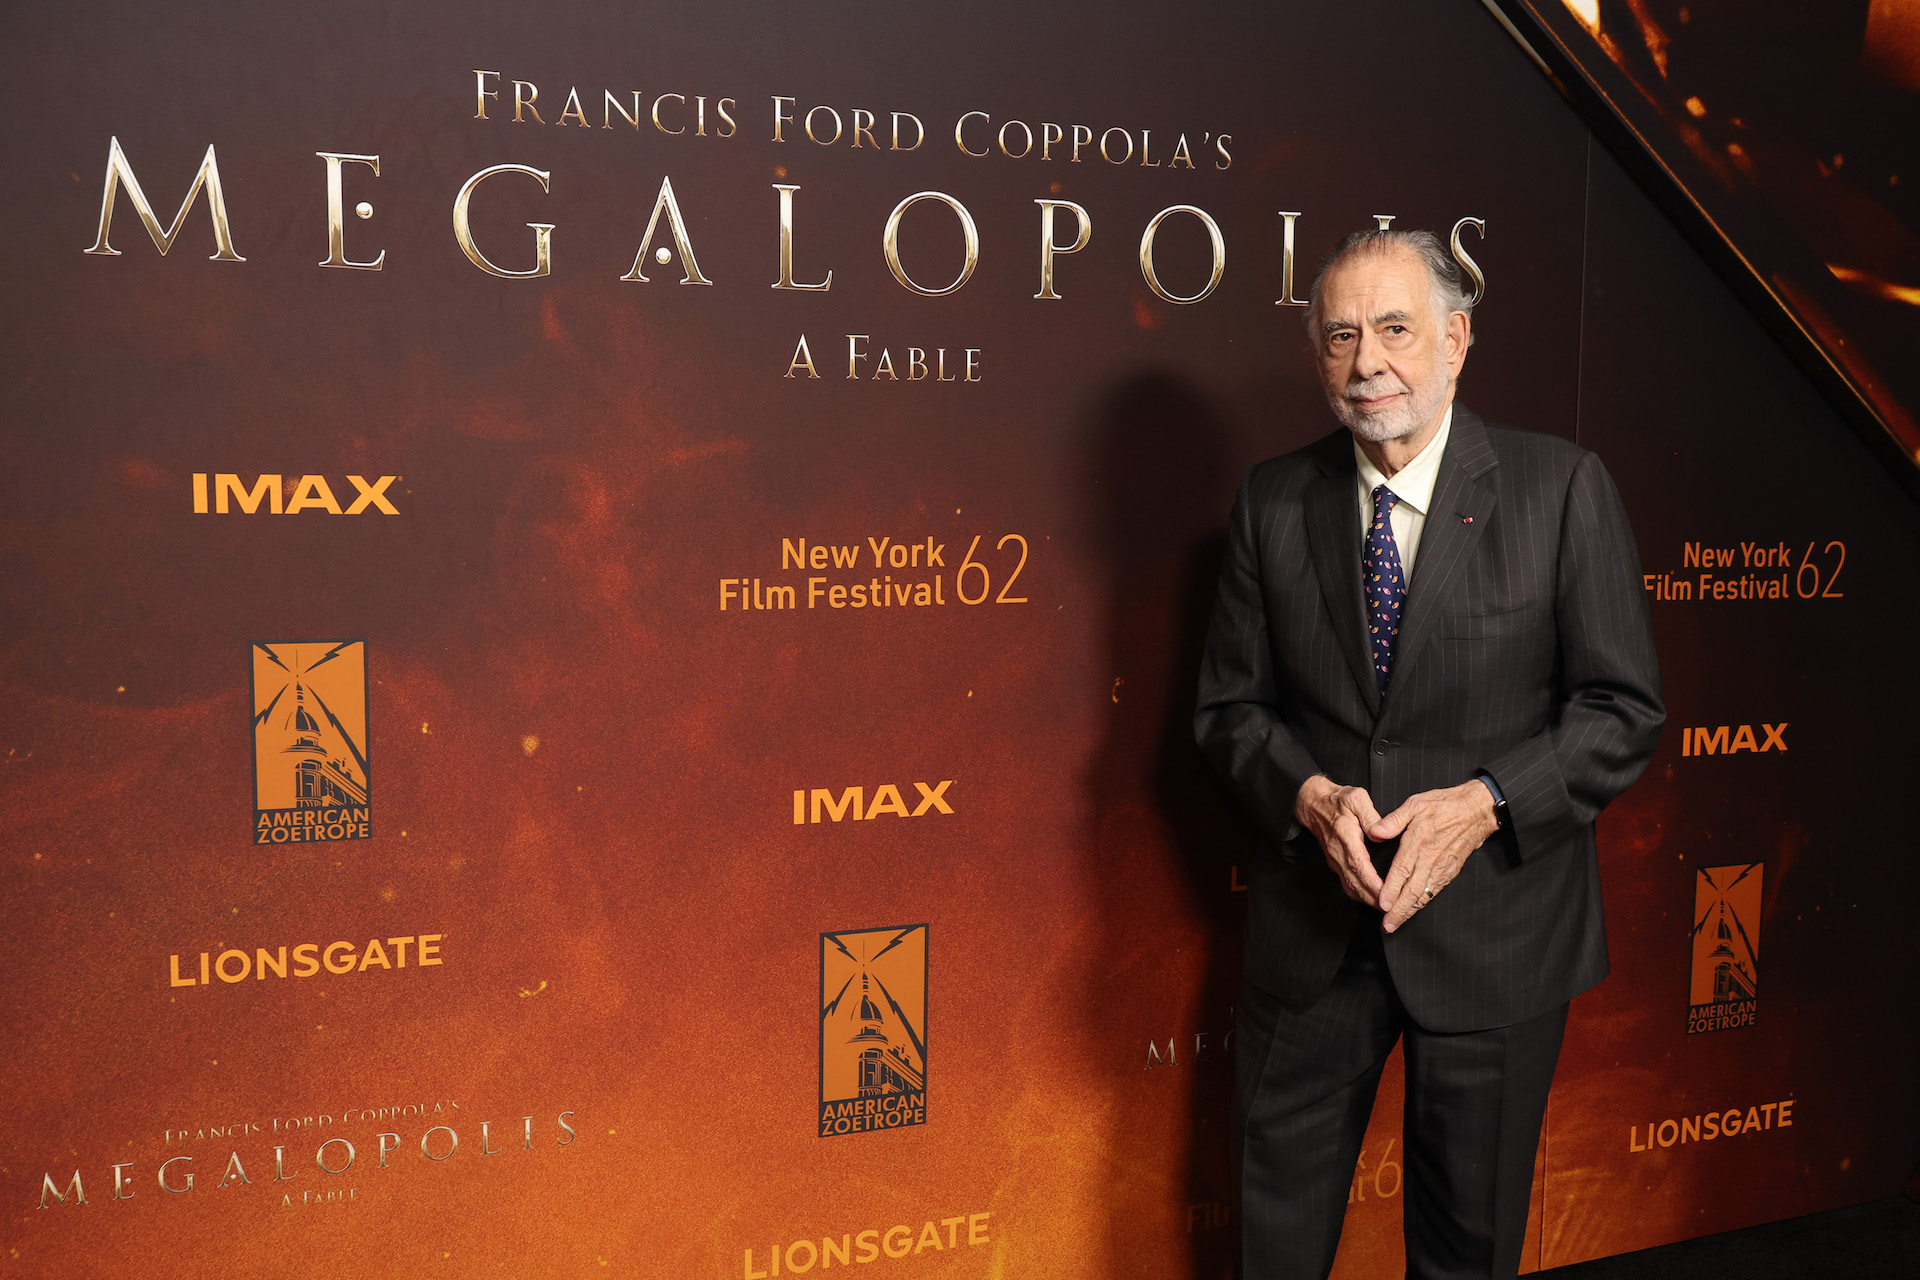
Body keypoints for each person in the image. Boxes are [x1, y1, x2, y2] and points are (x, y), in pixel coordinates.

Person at [1194, 229, 1664, 1280]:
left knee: (1466, 1249)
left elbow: (1622, 708)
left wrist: (1488, 800)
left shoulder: (1561, 488)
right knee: (1271, 1249)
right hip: (1316, 939)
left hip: (1498, 936)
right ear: (1317, 356)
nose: (1368, 362)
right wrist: (1307, 794)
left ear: (1456, 340)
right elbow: (1230, 708)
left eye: (1396, 329)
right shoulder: (1273, 500)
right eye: (1341, 335)